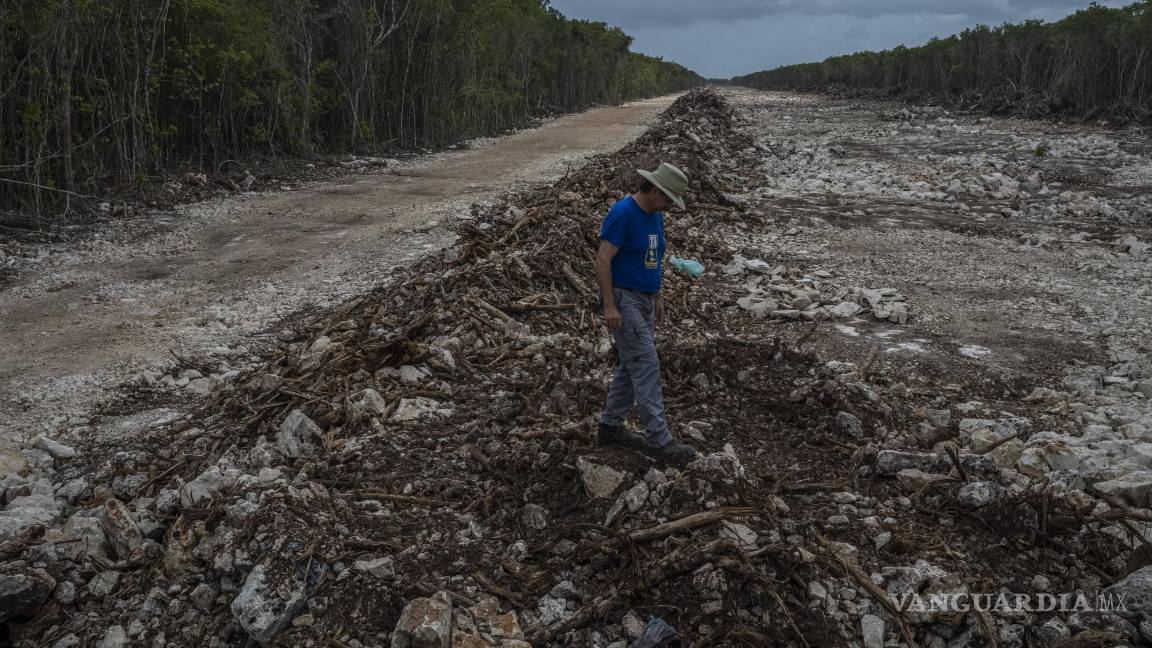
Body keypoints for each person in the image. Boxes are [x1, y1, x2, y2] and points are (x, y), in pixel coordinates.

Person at [594, 162, 697, 463]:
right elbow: (602, 260)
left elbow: (654, 258)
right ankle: (659, 440)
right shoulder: (624, 213)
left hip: (646, 299)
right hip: (624, 299)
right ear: (654, 190)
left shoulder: (655, 216)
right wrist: (610, 304)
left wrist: (658, 296)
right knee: (647, 363)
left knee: (631, 364)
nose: (668, 206)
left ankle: (610, 427)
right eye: (666, 199)